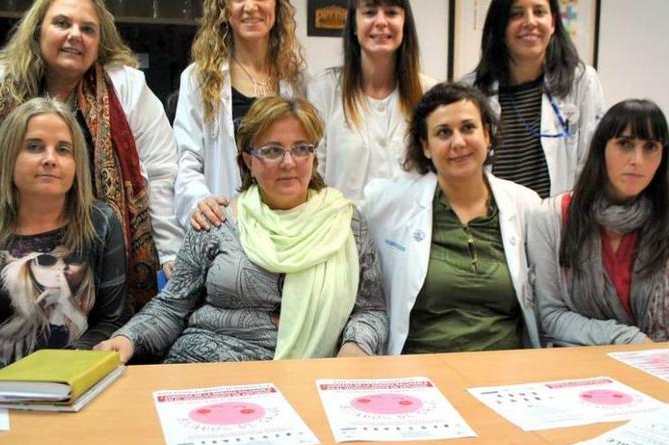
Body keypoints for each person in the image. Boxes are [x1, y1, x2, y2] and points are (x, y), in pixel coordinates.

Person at [96, 96, 387, 363]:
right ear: (249, 160)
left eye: (301, 148)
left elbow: (370, 311)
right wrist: (127, 338)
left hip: (300, 376)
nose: (289, 162)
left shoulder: (344, 222)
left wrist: (354, 348)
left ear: (314, 155)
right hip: (200, 367)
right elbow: (172, 306)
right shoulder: (216, 220)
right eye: (273, 150)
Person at [0, 0, 181, 309]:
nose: (75, 35)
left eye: (87, 28)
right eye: (62, 23)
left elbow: (161, 172)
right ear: (38, 31)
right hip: (5, 267)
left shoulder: (127, 87)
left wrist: (171, 252)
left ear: (100, 40)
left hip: (100, 260)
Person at [0, 98, 128, 370]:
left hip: (73, 380)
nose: (50, 159)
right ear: (9, 158)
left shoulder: (101, 223)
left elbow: (110, 321)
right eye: (34, 147)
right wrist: (16, 381)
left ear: (76, 163)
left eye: (63, 149)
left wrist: (66, 369)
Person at [527, 99, 669, 345]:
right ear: (601, 149)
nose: (638, 160)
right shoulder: (551, 218)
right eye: (625, 144)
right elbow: (551, 316)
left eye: (650, 147)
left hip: (668, 362)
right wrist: (627, 339)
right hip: (586, 363)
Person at [362, 83, 541, 355]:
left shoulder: (526, 205)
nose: (458, 142)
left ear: (488, 135)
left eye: (468, 128)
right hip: (422, 372)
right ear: (426, 146)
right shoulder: (388, 204)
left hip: (506, 374)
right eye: (443, 133)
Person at [174, 0, 306, 230]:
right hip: (225, 224)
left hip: (287, 228)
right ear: (223, 8)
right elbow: (187, 160)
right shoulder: (198, 79)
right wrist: (202, 203)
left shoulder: (297, 80)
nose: (251, 6)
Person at [467, 0, 604, 198]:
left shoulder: (581, 81)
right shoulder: (472, 90)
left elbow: (593, 165)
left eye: (539, 12)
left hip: (558, 221)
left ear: (553, 23)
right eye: (516, 14)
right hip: (493, 222)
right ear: (500, 26)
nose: (530, 22)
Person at [307, 0, 434, 201]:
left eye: (391, 12)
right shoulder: (324, 89)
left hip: (407, 227)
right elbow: (312, 173)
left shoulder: (428, 93)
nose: (381, 21)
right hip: (340, 226)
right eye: (369, 12)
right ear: (354, 26)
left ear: (404, 24)